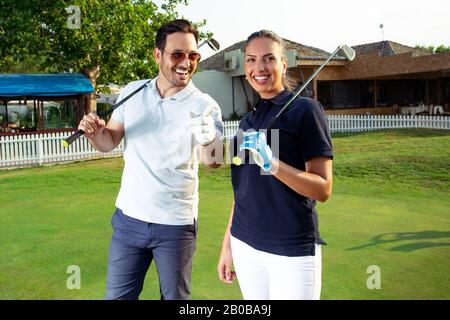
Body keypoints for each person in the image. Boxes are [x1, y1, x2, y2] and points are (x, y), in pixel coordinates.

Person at [78, 19, 223, 300]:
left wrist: (206, 135)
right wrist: (95, 133)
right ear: (158, 55)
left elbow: (213, 160)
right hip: (128, 219)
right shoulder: (133, 91)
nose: (186, 62)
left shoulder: (204, 104)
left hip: (175, 224)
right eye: (177, 54)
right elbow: (109, 141)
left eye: (192, 56)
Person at [217, 30, 333, 300]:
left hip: (291, 248)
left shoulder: (306, 110)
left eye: (269, 58)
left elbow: (323, 188)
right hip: (244, 243)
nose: (259, 68)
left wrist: (273, 165)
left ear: (284, 63)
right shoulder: (248, 121)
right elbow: (243, 191)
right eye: (251, 60)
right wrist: (228, 246)